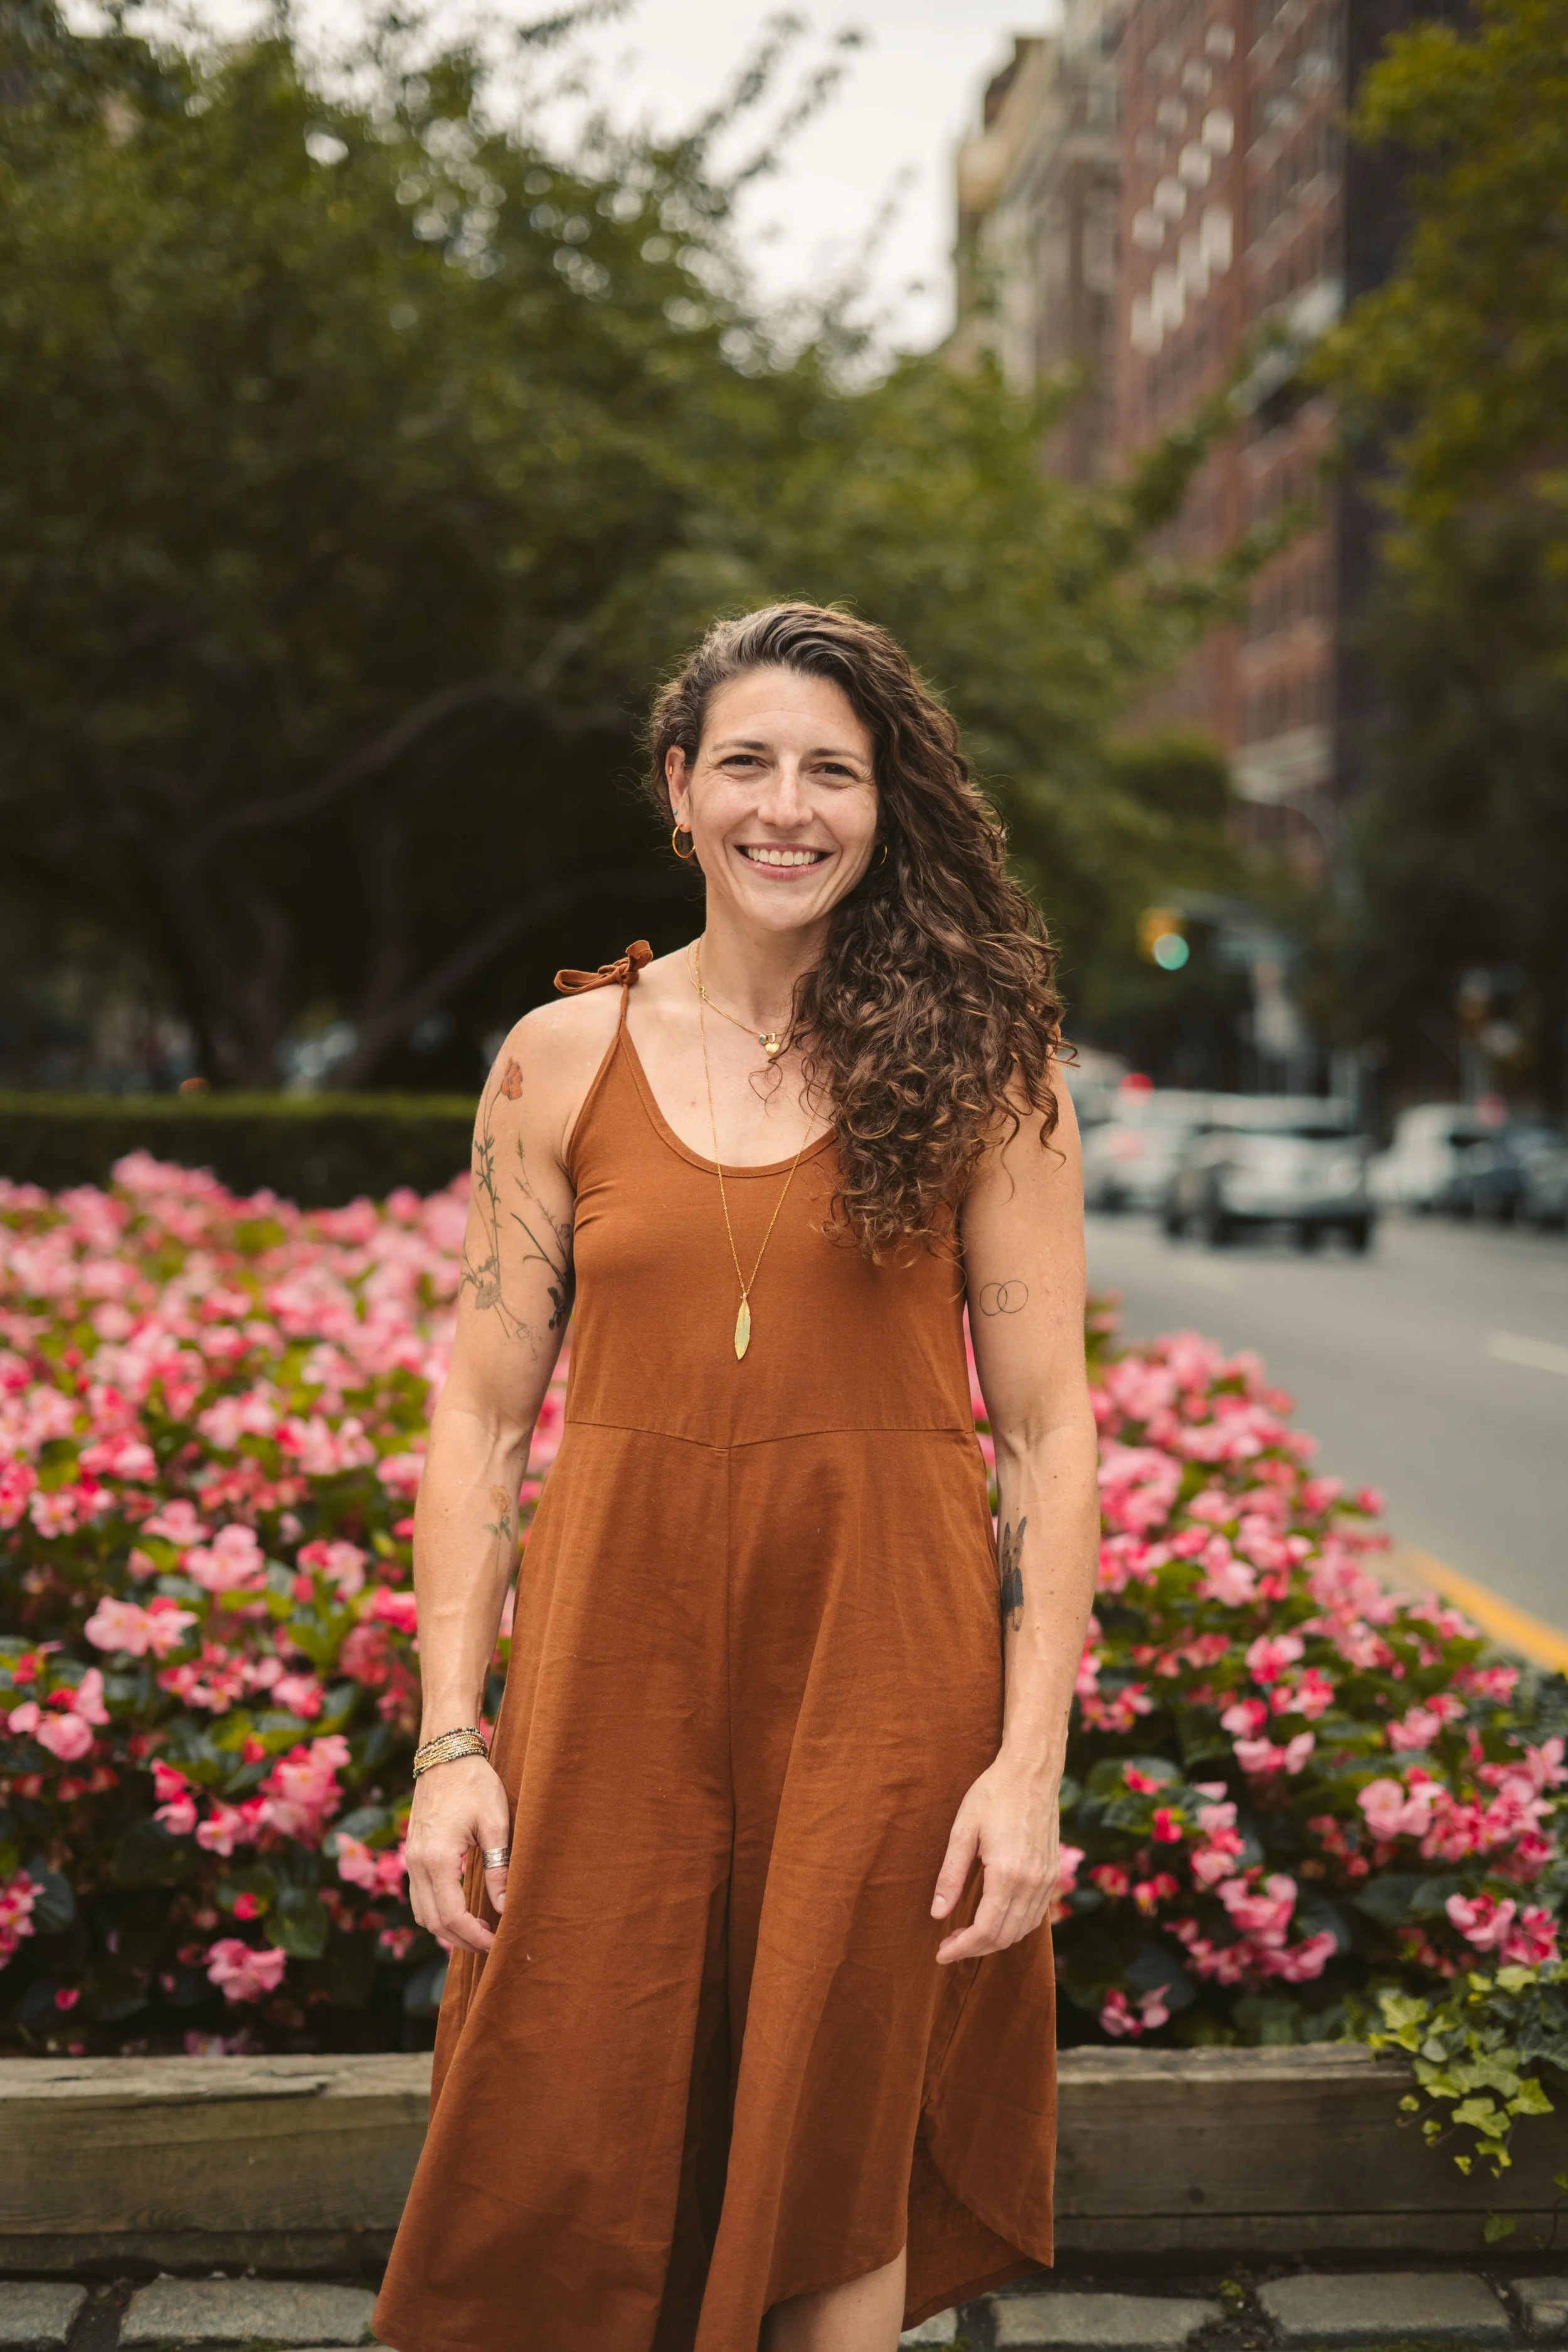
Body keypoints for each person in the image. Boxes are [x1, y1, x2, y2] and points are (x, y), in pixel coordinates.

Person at [373, 603, 1099, 2352]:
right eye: (751, 764)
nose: (790, 807)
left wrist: (1023, 1767)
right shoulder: (559, 1059)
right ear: (680, 791)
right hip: (610, 1669)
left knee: (834, 2131)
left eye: (833, 771)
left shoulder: (988, 1066)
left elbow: (1048, 1430)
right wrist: (449, 1739)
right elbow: (475, 1418)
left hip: (882, 1675)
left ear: (885, 803)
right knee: (567, 2104)